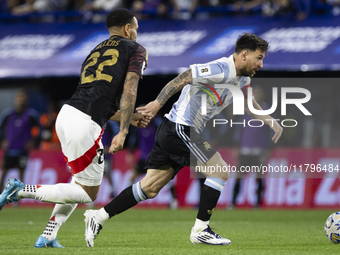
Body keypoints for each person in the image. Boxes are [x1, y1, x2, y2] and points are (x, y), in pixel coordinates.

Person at [83, 33, 283, 247]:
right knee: (220, 170)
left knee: (149, 188)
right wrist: (157, 104)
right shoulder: (221, 68)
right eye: (259, 58)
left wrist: (272, 122)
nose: (261, 64)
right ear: (244, 55)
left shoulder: (242, 79)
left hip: (173, 130)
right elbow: (184, 77)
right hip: (180, 128)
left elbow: (248, 103)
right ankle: (201, 229)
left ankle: (99, 216)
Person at [0, 8, 151, 248]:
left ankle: (49, 234)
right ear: (127, 28)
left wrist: (127, 117)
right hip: (84, 125)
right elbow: (130, 90)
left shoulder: (94, 50)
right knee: (87, 193)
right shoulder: (136, 49)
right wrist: (123, 130)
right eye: (136, 28)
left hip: (68, 114)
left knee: (77, 183)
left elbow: (96, 100)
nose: (136, 33)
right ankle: (20, 191)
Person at [229, 85, 273, 210]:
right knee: (239, 175)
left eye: (259, 93)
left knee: (259, 176)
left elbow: (271, 128)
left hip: (260, 149)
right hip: (244, 149)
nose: (257, 96)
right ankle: (232, 202)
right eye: (255, 93)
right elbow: (238, 128)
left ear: (263, 95)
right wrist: (236, 145)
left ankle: (257, 204)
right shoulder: (245, 108)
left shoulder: (267, 109)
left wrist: (269, 147)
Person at [0, 89, 40, 192]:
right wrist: (3, 140)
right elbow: (2, 129)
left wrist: (32, 141)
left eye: (23, 97)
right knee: (3, 173)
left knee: (21, 174)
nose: (21, 100)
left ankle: (19, 198)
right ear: (15, 99)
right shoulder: (8, 115)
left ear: (26, 99)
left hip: (23, 150)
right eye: (19, 97)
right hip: (10, 149)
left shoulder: (31, 115)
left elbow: (37, 130)